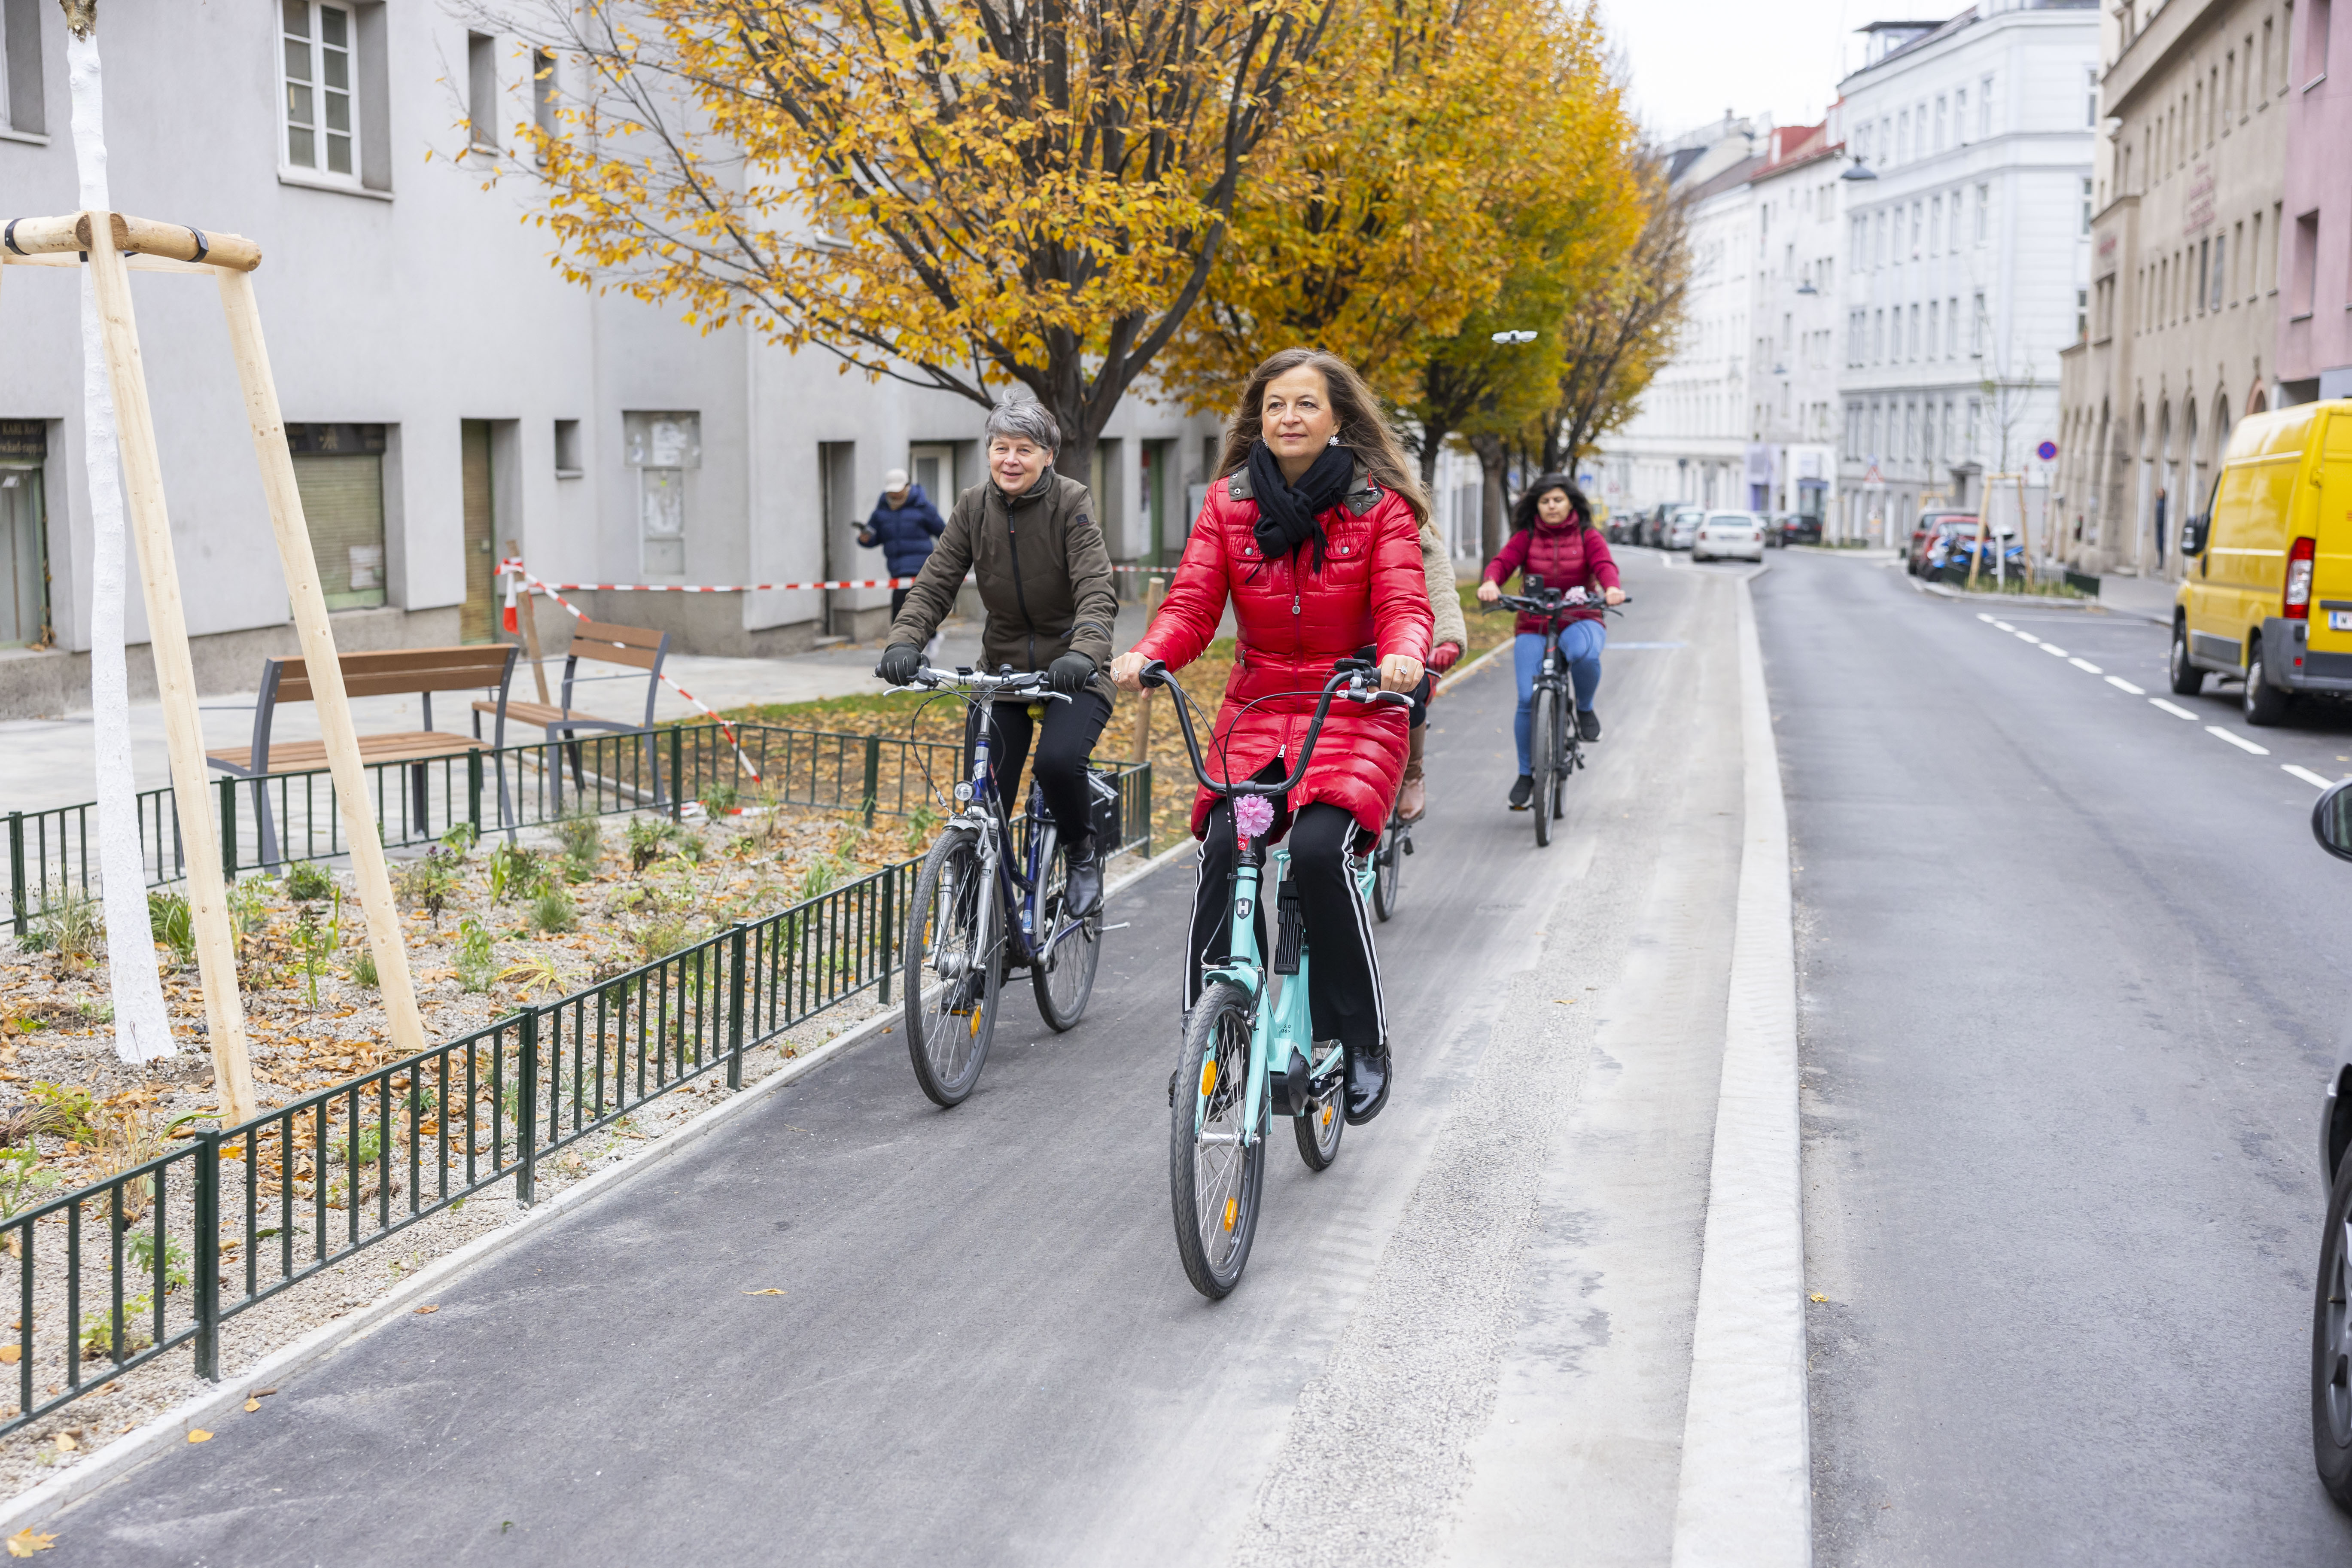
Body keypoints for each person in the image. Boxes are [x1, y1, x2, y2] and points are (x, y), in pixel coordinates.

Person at [1110, 347, 1432, 1125]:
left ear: (1336, 418)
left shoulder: (1377, 505)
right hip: (1257, 711)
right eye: (1275, 405)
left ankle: (1358, 1039)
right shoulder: (1227, 504)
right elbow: (1192, 604)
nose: (1288, 418)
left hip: (1351, 704)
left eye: (1305, 404)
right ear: (1259, 418)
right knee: (1223, 851)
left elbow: (1403, 600)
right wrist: (1151, 652)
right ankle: (1209, 1039)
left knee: (1321, 854)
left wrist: (1402, 655)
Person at [877, 403, 1118, 917]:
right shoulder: (972, 506)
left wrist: (1083, 652)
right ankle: (977, 942)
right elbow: (936, 580)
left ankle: (1080, 851)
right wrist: (904, 642)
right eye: (1001, 448)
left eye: (1024, 450)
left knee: (1056, 763)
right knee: (983, 806)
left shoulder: (1070, 501)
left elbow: (1096, 590)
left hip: (1071, 669)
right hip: (1003, 671)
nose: (1010, 460)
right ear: (989, 451)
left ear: (1047, 456)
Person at [1476, 474, 1623, 810]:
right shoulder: (1526, 536)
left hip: (1579, 616)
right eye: (1545, 501)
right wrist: (1490, 582)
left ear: (1570, 502)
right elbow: (1502, 563)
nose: (1551, 506)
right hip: (1534, 622)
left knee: (1585, 655)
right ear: (1537, 506)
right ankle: (1527, 773)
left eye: (1557, 500)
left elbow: (1604, 565)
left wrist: (1611, 588)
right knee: (1527, 698)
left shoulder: (1588, 535)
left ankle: (1584, 709)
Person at [1395, 522, 1468, 822]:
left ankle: (1411, 775)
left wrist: (1448, 638)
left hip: (1407, 648)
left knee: (1407, 683)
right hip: (1338, 652)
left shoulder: (1417, 534)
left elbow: (1440, 590)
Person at [857, 466, 946, 625]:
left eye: (898, 491)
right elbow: (875, 538)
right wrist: (864, 539)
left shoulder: (924, 508)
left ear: (908, 487)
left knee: (913, 609)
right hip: (897, 570)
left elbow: (944, 533)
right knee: (907, 612)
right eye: (892, 492)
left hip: (921, 568)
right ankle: (922, 640)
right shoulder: (881, 512)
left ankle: (923, 641)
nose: (895, 495)